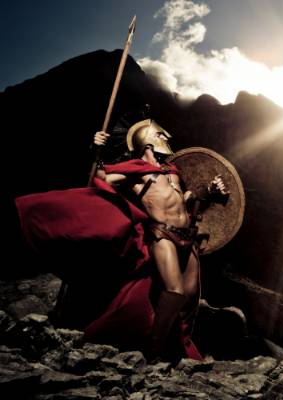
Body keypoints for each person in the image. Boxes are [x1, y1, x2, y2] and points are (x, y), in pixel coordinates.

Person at [16, 119, 227, 361]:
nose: (167, 140)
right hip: (163, 234)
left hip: (188, 237)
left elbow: (186, 200)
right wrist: (97, 150)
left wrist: (210, 192)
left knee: (190, 298)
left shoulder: (173, 172)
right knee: (175, 293)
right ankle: (156, 354)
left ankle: (179, 348)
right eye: (162, 136)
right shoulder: (134, 170)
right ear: (150, 140)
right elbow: (102, 177)